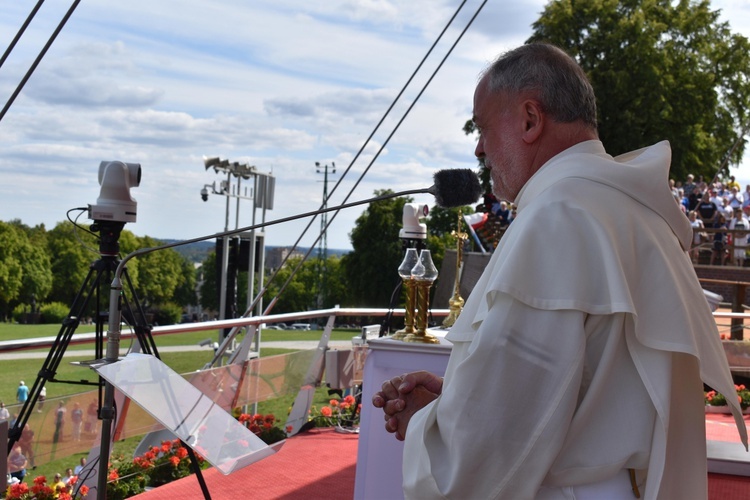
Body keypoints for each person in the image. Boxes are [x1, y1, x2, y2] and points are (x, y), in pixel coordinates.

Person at [373, 43, 747, 499]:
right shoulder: (638, 211)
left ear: (530, 119)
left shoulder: (557, 216)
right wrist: (455, 399)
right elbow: (581, 386)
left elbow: (491, 444)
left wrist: (423, 426)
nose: (479, 147)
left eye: (483, 127)